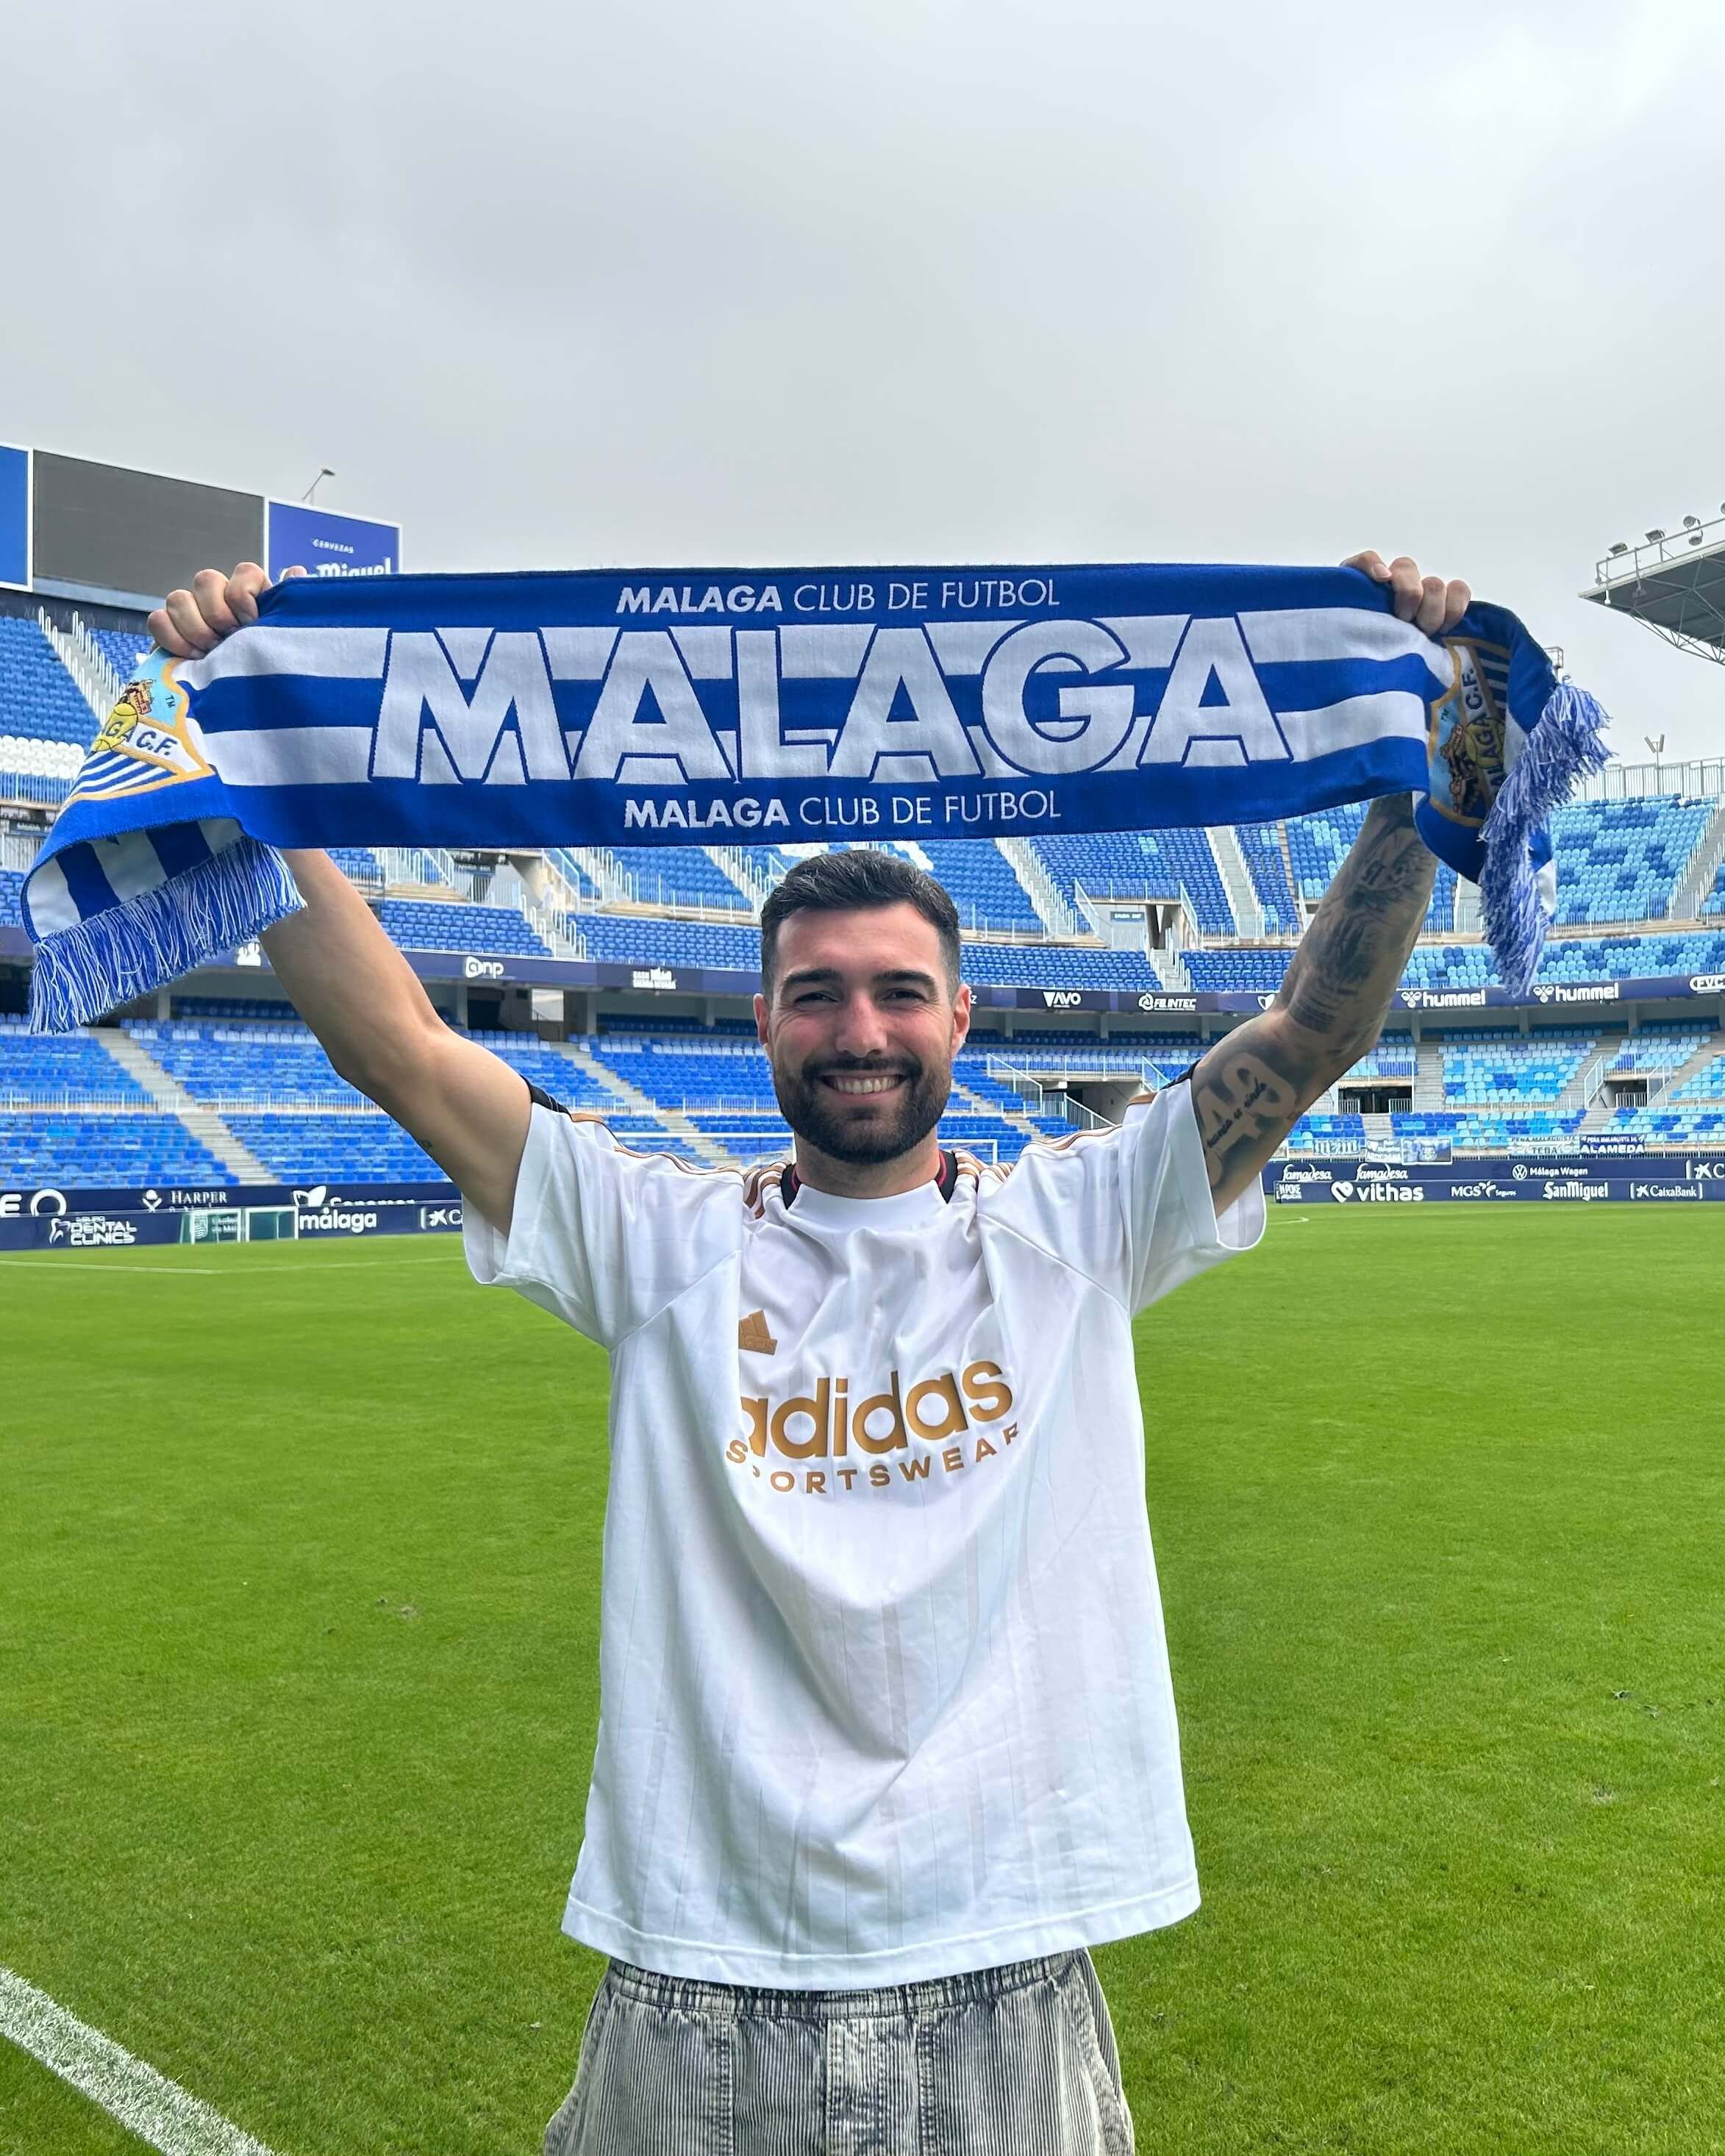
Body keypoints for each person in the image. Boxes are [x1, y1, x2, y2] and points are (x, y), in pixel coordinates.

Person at [149, 551, 1467, 2156]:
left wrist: (1419, 770)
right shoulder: (657, 1242)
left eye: (901, 992)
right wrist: (237, 745)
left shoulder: (1081, 1222)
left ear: (961, 1018)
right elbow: (402, 1051)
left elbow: (1312, 1033)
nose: (861, 1030)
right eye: (817, 994)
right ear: (765, 1019)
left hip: (1004, 1965)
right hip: (700, 1979)